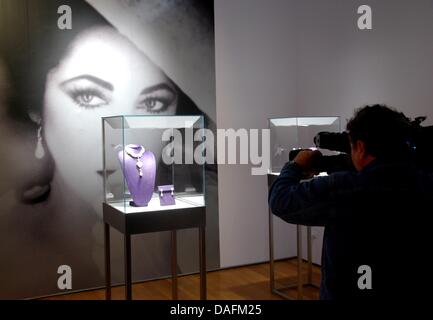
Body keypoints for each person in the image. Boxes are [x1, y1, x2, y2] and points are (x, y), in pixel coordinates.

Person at [0, 0, 216, 299]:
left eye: (152, 104)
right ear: (38, 107)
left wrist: (154, 282)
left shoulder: (206, 222)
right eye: (88, 96)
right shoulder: (6, 238)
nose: (123, 140)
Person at [269, 104, 433, 299]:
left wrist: (295, 166)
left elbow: (281, 200)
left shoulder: (346, 189)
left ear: (361, 147)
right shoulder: (424, 182)